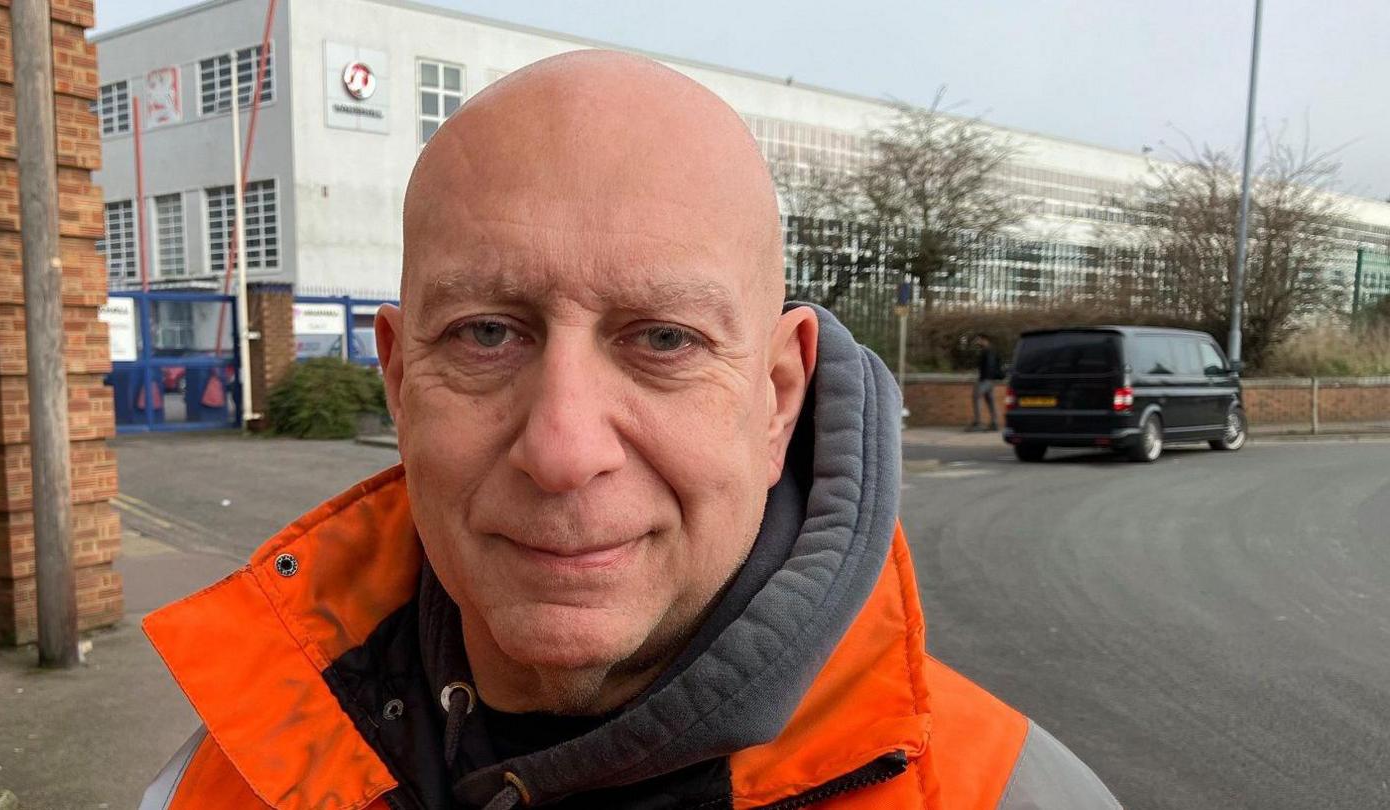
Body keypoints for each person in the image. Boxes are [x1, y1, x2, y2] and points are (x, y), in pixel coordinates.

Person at [139, 51, 1119, 810]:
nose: (564, 452)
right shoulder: (218, 785)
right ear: (398, 381)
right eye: (487, 333)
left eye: (663, 338)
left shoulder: (1001, 791)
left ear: (777, 397)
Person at [968, 333, 1003, 432]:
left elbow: (989, 366)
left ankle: (978, 423)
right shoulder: (991, 350)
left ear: (985, 340)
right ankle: (994, 423)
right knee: (990, 400)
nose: (977, 342)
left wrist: (984, 378)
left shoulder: (988, 351)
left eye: (979, 340)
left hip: (986, 379)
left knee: (976, 396)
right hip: (990, 379)